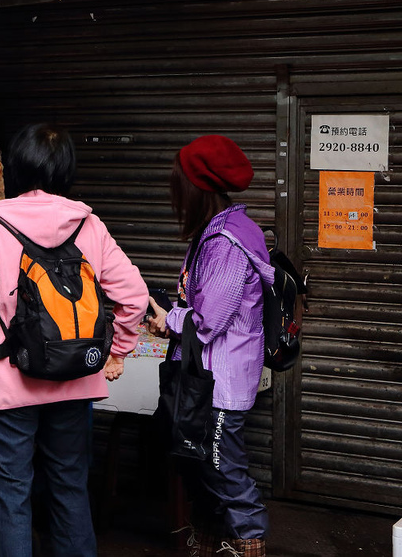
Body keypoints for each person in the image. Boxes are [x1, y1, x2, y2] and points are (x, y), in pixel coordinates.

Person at [0, 123, 149, 557]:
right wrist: (119, 352)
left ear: (14, 168)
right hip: (74, 379)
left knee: (11, 494)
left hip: (7, 384)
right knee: (69, 487)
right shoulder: (88, 224)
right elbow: (135, 296)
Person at [146, 135, 271, 557]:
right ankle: (209, 544)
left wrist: (169, 319)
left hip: (221, 381)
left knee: (224, 470)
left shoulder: (225, 243)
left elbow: (207, 321)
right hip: (210, 376)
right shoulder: (222, 230)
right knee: (204, 467)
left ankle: (248, 546)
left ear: (196, 186)